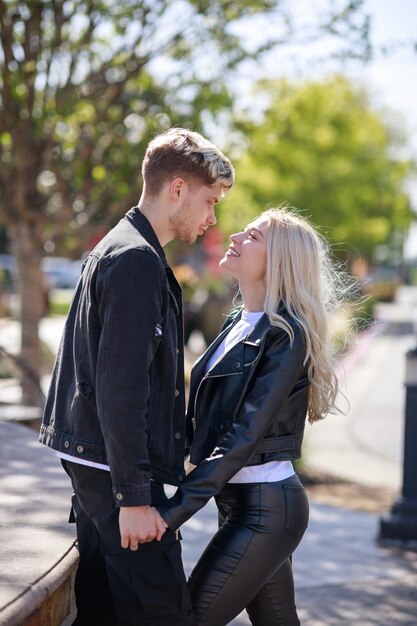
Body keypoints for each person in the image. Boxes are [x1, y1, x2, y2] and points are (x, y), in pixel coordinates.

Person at [39, 127, 234, 626]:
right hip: (116, 478)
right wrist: (134, 497)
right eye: (209, 201)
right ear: (177, 190)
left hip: (101, 469)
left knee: (105, 612)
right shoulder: (135, 261)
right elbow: (120, 389)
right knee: (161, 612)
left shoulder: (121, 247)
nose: (212, 217)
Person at [157, 207, 344, 626]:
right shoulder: (238, 324)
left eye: (254, 236)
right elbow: (204, 418)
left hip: (266, 510)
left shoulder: (287, 334)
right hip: (240, 503)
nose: (236, 236)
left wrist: (174, 512)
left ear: (279, 261)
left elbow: (243, 434)